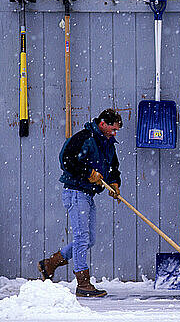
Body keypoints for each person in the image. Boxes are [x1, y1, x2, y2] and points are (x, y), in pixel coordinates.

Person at [38, 109, 123, 297]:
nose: (115, 133)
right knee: (81, 238)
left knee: (89, 239)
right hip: (76, 193)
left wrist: (114, 183)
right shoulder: (84, 138)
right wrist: (88, 173)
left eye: (117, 130)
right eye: (113, 128)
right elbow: (66, 160)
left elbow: (113, 167)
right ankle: (83, 283)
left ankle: (49, 264)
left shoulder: (108, 143)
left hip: (88, 195)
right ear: (103, 124)